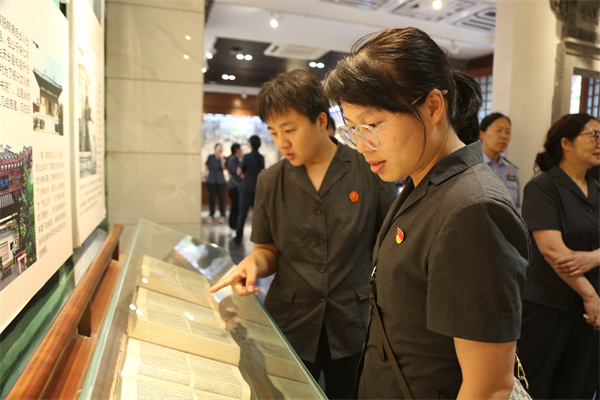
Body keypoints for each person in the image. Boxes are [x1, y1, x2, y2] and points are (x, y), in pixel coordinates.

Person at [323, 27, 529, 399]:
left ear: (433, 106)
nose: (362, 145)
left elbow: (489, 387)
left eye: (373, 124)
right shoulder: (423, 181)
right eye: (352, 129)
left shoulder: (474, 208)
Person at [210, 69, 396, 399]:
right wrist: (252, 264)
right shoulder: (270, 181)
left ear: (321, 121)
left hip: (353, 321)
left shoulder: (368, 169)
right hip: (292, 320)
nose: (282, 142)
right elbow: (267, 251)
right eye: (273, 132)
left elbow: (389, 247)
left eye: (290, 129)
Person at [518, 113, 600, 399]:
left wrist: (594, 258)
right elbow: (554, 251)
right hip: (548, 306)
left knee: (579, 386)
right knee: (535, 385)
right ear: (566, 143)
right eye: (593, 135)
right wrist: (590, 296)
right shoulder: (542, 187)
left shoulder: (597, 186)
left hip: (591, 313)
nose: (599, 142)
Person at [480, 112, 521, 208]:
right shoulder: (473, 167)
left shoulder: (511, 170)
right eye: (499, 130)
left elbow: (516, 208)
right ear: (481, 134)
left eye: (508, 132)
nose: (504, 136)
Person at [233, 135, 264, 246]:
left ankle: (238, 238)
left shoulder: (246, 157)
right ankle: (259, 238)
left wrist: (243, 174)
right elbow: (262, 173)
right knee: (258, 215)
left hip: (246, 188)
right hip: (257, 188)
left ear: (250, 144)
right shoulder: (261, 157)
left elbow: (238, 171)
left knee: (242, 214)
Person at [203, 143, 226, 223]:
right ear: (215, 148)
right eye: (218, 147)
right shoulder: (210, 157)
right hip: (211, 180)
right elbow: (206, 167)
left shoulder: (223, 158)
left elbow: (223, 168)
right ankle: (211, 214)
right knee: (211, 198)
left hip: (221, 181)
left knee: (222, 199)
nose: (220, 149)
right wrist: (203, 176)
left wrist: (222, 159)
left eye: (221, 148)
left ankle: (222, 215)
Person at [226, 143, 243, 231]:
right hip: (234, 187)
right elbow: (236, 172)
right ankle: (233, 224)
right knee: (235, 206)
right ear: (237, 150)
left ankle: (234, 224)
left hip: (235, 186)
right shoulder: (233, 159)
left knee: (236, 206)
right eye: (240, 148)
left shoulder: (235, 159)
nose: (242, 150)